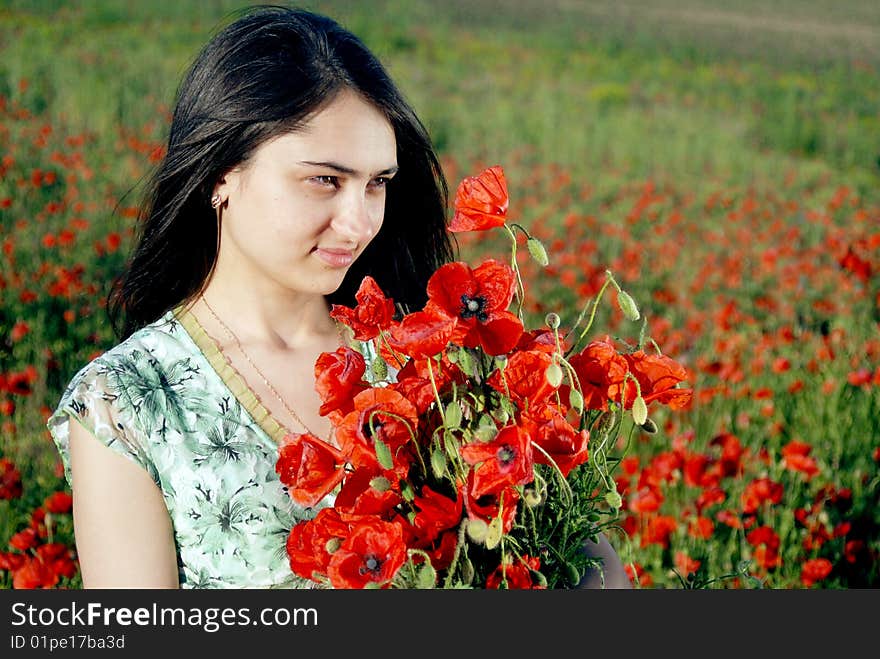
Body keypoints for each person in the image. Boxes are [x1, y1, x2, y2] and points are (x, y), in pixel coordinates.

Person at [47, 4, 631, 590]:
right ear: (221, 173)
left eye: (377, 183)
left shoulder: (429, 360)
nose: (358, 223)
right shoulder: (126, 405)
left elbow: (592, 566)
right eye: (325, 180)